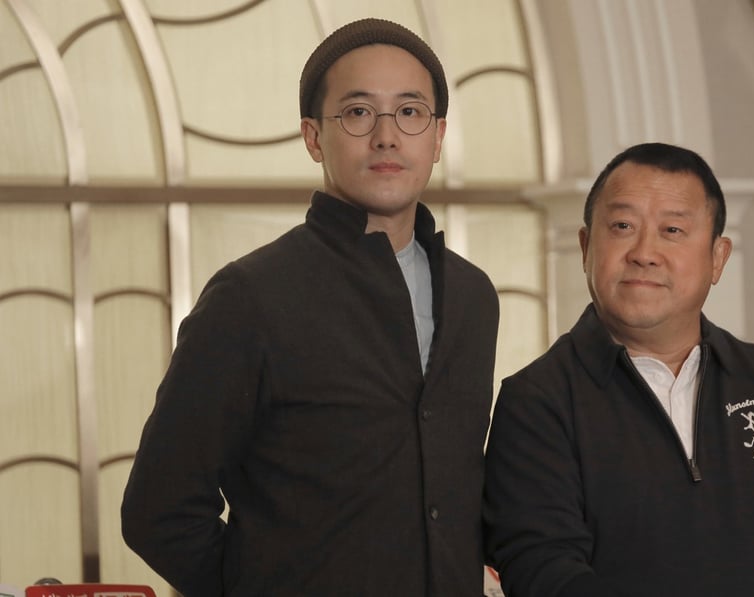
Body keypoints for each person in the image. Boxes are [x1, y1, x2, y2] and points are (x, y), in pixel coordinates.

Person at [121, 18, 499, 597]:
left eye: (410, 112)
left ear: (438, 135)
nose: (387, 136)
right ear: (313, 136)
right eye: (357, 112)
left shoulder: (474, 298)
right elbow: (158, 510)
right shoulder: (250, 298)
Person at [483, 142, 754, 597]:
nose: (644, 252)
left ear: (718, 258)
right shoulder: (537, 400)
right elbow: (542, 567)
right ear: (586, 246)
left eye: (672, 229)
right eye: (623, 226)